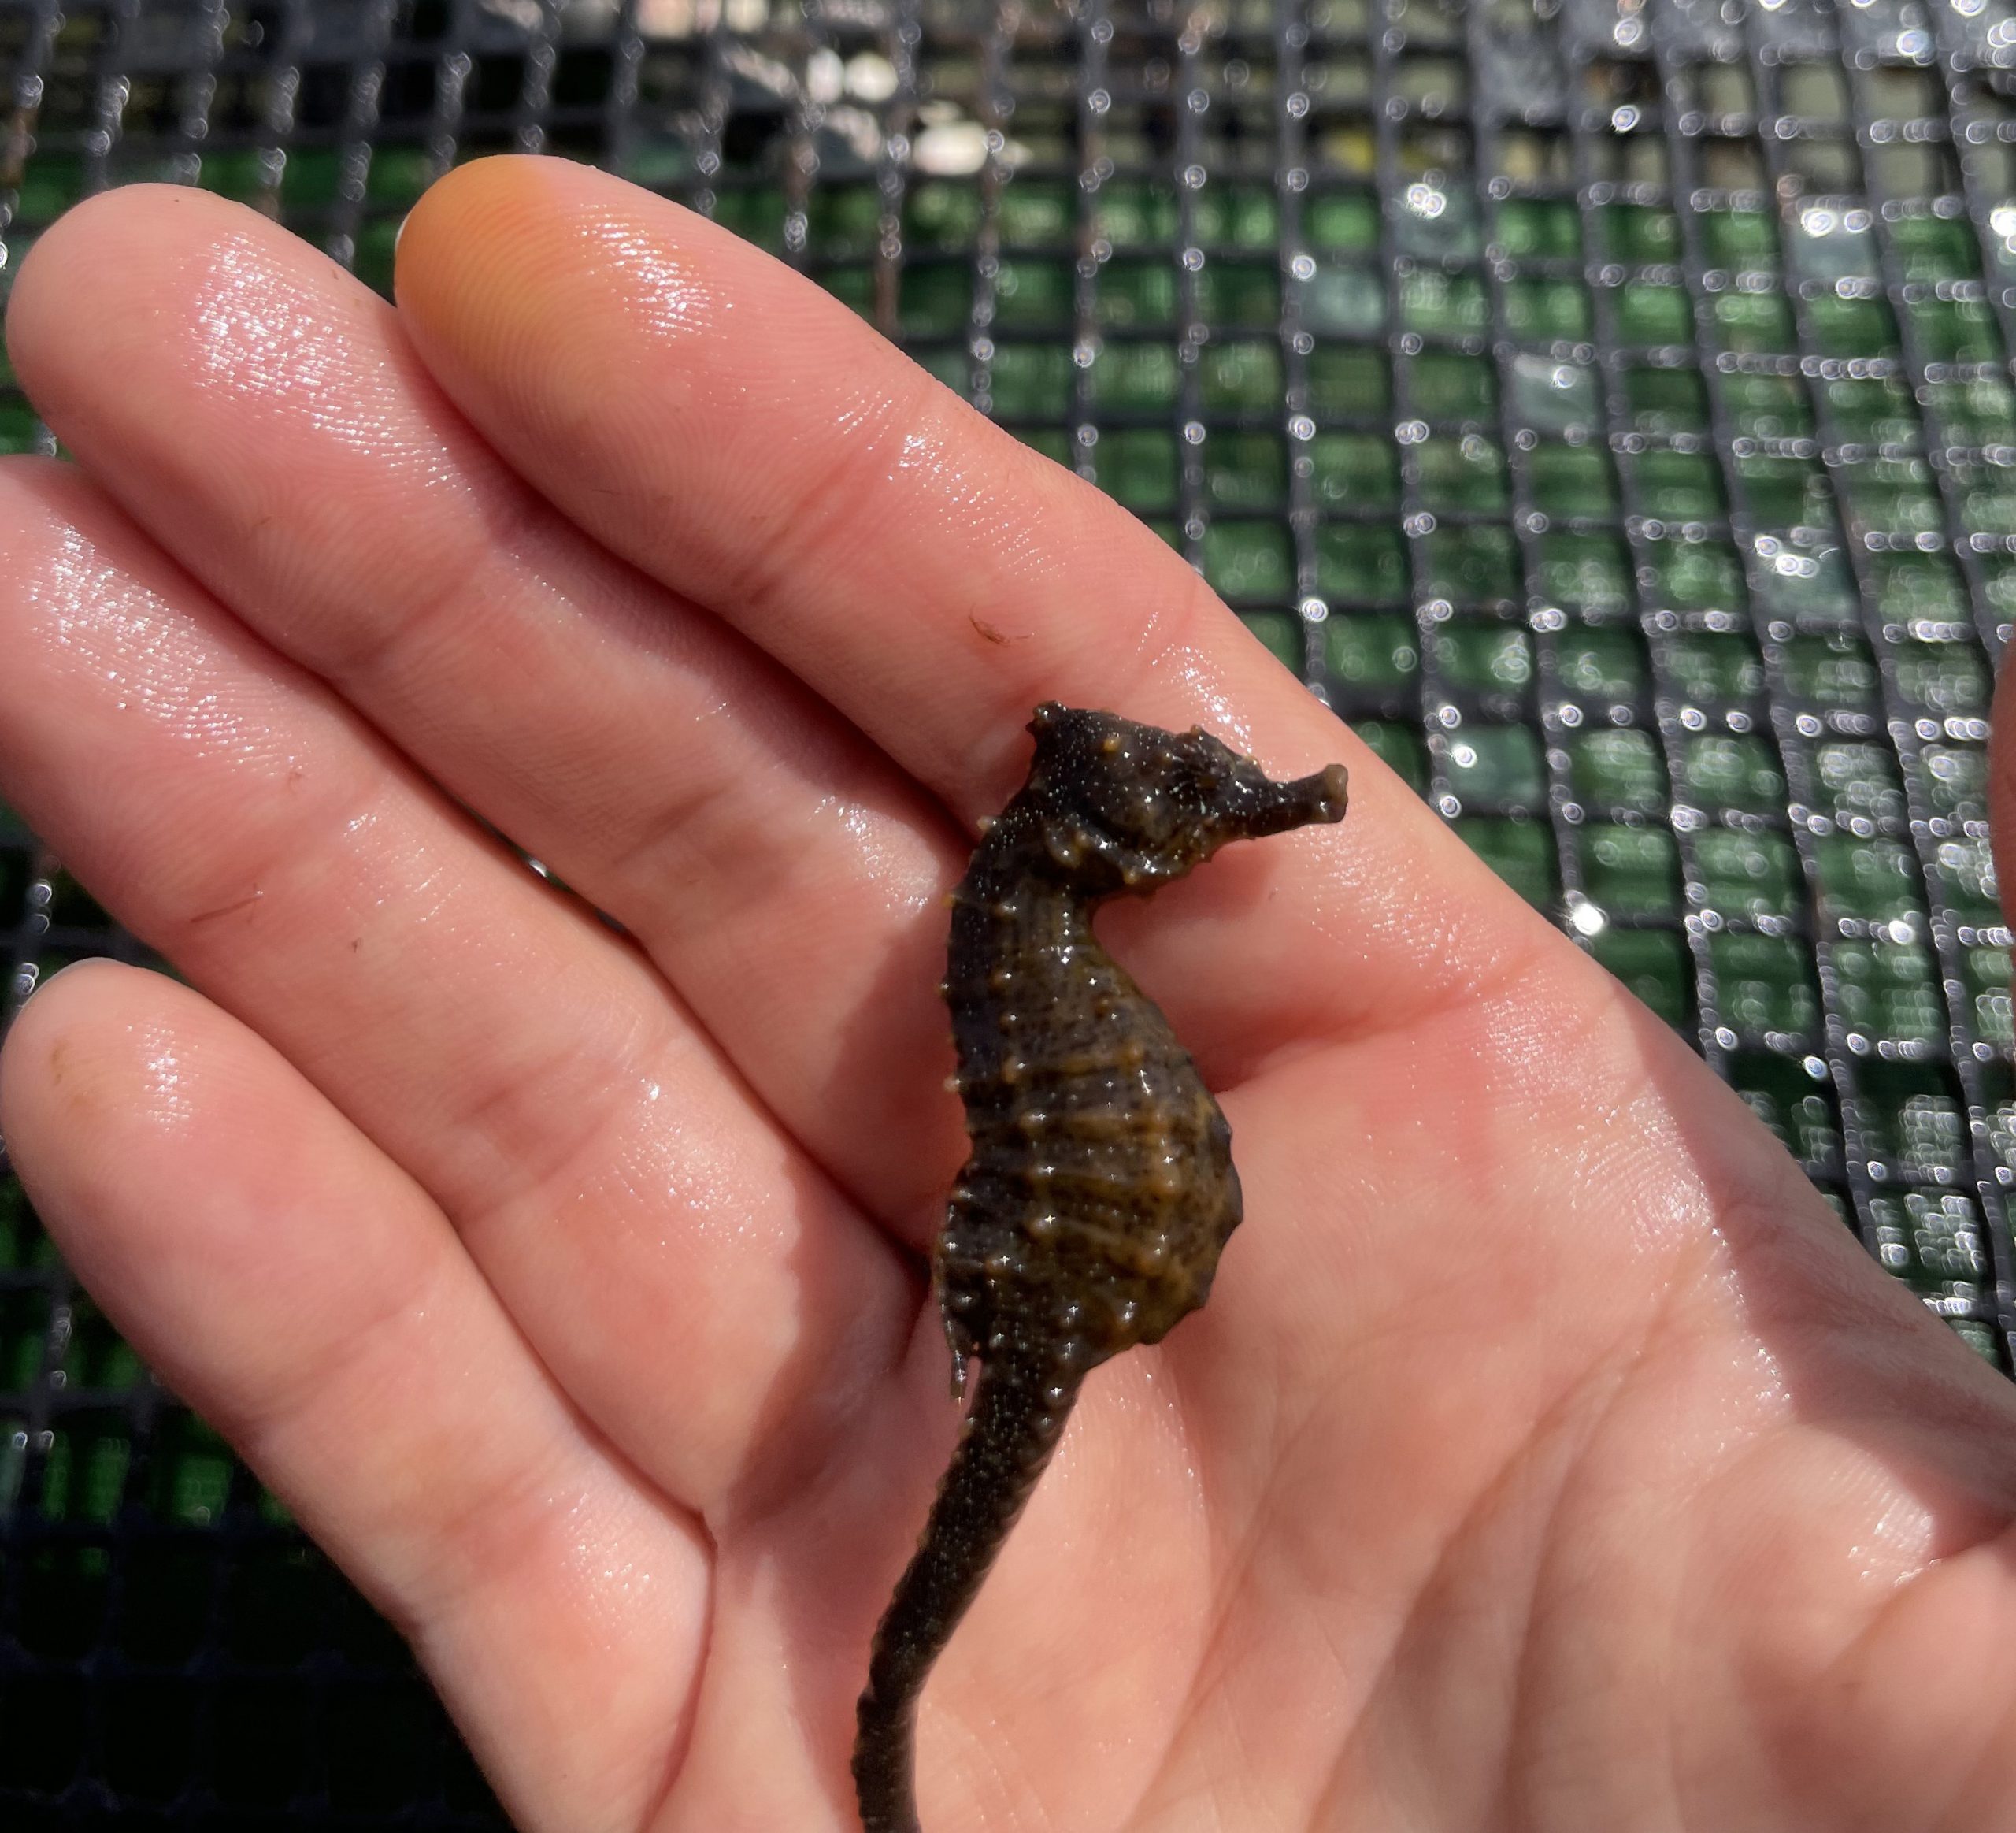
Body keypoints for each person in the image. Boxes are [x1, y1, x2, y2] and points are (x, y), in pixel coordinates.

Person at [2, 156, 2014, 1832]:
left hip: (1088, 1229)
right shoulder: (1038, 925)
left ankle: (884, 1747)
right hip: (1079, 1239)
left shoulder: (1038, 932)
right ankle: (882, 1751)